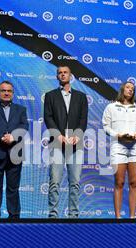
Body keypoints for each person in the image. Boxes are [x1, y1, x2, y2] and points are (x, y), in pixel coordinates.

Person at [44, 65, 88, 218]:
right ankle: (53, 215)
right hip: (57, 143)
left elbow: (83, 119)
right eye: (60, 73)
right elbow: (48, 117)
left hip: (76, 144)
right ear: (57, 77)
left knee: (75, 182)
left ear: (71, 76)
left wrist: (77, 135)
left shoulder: (81, 97)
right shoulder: (50, 96)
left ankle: (73, 215)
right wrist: (57, 135)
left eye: (65, 73)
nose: (63, 75)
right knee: (55, 181)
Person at [0, 81, 29, 219]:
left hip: (15, 152)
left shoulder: (21, 109)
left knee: (13, 187)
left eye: (9, 91)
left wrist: (13, 136)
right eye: (3, 91)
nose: (6, 93)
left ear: (13, 93)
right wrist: (2, 137)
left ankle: (14, 215)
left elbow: (24, 125)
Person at [102, 82, 136, 219]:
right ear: (122, 89)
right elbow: (106, 126)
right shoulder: (111, 107)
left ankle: (132, 217)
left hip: (135, 146)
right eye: (128, 87)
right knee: (119, 182)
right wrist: (117, 135)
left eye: (133, 89)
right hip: (118, 146)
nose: (130, 90)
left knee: (134, 182)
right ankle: (118, 218)